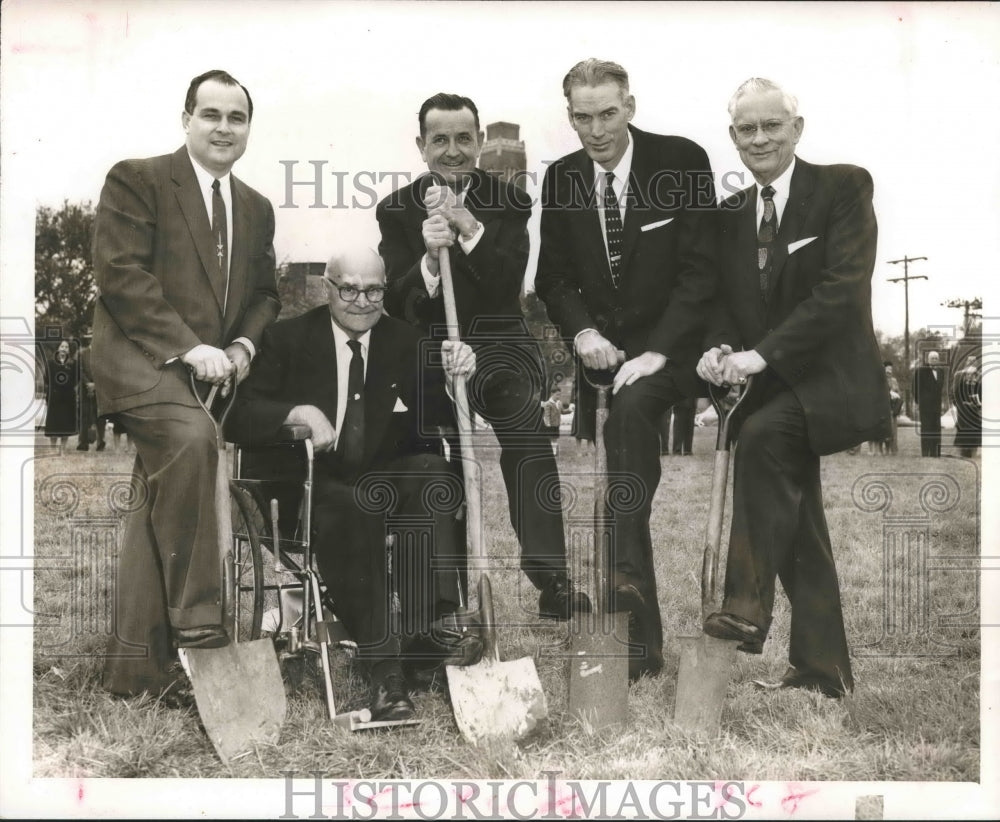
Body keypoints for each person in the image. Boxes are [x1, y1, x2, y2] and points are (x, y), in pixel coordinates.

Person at [227, 247, 480, 721]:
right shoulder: (286, 341)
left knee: (430, 474)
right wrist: (294, 413)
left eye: (374, 290)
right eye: (349, 289)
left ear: (386, 289)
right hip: (305, 485)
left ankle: (428, 630)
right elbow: (239, 416)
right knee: (353, 507)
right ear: (328, 288)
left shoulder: (406, 341)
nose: (361, 301)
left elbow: (440, 423)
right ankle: (385, 670)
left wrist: (455, 377)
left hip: (377, 480)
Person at [698, 77, 890, 698]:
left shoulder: (843, 186)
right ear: (733, 138)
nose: (759, 139)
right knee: (799, 520)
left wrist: (762, 356)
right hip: (770, 384)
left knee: (760, 438)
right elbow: (729, 302)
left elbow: (840, 291)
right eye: (746, 130)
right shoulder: (729, 216)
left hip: (830, 386)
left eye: (771, 126)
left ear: (796, 129)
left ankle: (747, 608)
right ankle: (822, 669)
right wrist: (721, 349)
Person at [93, 70, 280, 700]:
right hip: (142, 364)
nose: (224, 128)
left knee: (163, 492)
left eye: (237, 117)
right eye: (211, 115)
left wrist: (241, 345)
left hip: (212, 374)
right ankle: (201, 631)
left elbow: (263, 296)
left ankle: (136, 670)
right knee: (193, 442)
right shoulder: (137, 179)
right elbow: (121, 277)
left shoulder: (255, 207)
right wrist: (189, 347)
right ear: (186, 120)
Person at [535, 59, 718, 680]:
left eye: (607, 113)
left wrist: (658, 351)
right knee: (622, 476)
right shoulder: (560, 179)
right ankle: (638, 641)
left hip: (682, 350)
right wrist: (583, 331)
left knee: (630, 441)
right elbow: (552, 279)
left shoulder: (683, 161)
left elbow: (702, 272)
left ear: (630, 107)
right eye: (582, 117)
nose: (596, 130)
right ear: (570, 117)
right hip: (607, 362)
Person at [376, 92, 589, 621]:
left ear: (479, 142)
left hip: (499, 346)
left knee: (526, 434)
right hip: (430, 350)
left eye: (464, 139)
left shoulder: (511, 202)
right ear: (421, 145)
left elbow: (503, 286)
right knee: (437, 459)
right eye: (440, 140)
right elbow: (399, 303)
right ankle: (445, 599)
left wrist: (469, 228)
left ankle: (552, 579)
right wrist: (427, 258)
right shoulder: (396, 209)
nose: (453, 151)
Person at [43, 340, 78, 455]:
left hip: (68, 397)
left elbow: (76, 379)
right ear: (58, 348)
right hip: (54, 396)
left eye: (66, 347)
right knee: (54, 422)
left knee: (65, 423)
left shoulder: (73, 363)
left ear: (69, 350)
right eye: (62, 346)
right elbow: (46, 378)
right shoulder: (51, 362)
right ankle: (53, 449)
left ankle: (63, 449)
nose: (64, 348)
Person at [913, 350, 945, 457]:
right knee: (926, 428)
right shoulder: (921, 370)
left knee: (936, 428)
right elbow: (915, 388)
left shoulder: (941, 371)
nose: (934, 360)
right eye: (932, 358)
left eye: (936, 358)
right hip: (925, 406)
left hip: (936, 406)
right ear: (928, 359)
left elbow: (940, 389)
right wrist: (919, 402)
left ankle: (936, 453)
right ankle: (926, 453)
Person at [77, 343, 106, 452]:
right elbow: (79, 370)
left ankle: (100, 442)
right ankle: (83, 443)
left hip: (99, 390)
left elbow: (105, 372)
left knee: (100, 417)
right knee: (85, 416)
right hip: (85, 391)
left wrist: (95, 385)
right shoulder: (82, 353)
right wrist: (87, 383)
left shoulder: (103, 354)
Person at [952, 353, 982, 458]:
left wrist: (979, 404)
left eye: (973, 362)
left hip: (975, 411)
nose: (971, 363)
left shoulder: (979, 380)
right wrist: (961, 405)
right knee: (962, 431)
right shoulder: (959, 377)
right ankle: (961, 454)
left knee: (975, 432)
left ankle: (973, 453)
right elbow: (955, 395)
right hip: (963, 411)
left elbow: (982, 395)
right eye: (969, 361)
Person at [871, 361, 902, 455]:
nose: (889, 371)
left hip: (892, 408)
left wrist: (895, 395)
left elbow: (899, 393)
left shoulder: (894, 381)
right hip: (882, 407)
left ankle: (890, 450)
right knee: (882, 429)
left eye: (891, 369)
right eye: (888, 369)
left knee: (892, 430)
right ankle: (880, 449)